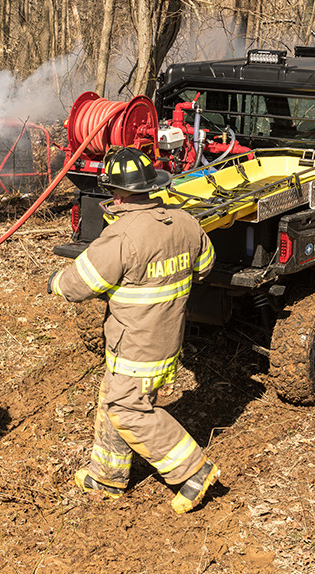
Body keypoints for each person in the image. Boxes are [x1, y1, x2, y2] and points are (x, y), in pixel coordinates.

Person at [46, 147, 220, 514]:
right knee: (113, 396)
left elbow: (79, 285)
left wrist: (55, 282)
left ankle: (194, 471)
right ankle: (106, 477)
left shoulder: (122, 236)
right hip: (167, 335)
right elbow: (205, 266)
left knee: (127, 408)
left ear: (115, 192)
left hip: (136, 344)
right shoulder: (185, 222)